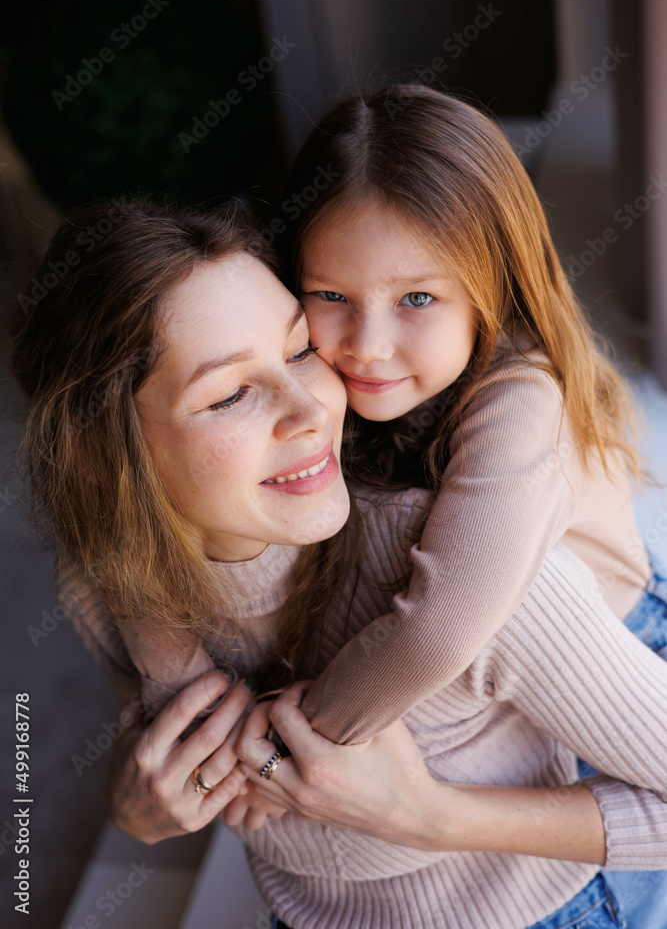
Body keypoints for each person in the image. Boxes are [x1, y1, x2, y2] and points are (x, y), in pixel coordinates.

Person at [10, 197, 667, 929]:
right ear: (96, 456)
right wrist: (138, 812)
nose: (311, 408)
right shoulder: (104, 588)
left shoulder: (470, 585)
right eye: (230, 394)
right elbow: (193, 764)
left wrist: (429, 817)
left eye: (298, 352)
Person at [273, 83, 666, 750]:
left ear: (496, 286)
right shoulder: (320, 361)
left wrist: (293, 741)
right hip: (500, 669)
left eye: (417, 297)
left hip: (620, 657)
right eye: (331, 294)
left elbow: (439, 629)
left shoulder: (521, 398)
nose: (366, 346)